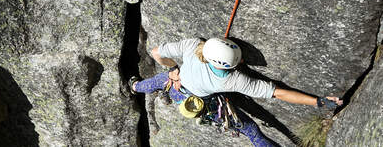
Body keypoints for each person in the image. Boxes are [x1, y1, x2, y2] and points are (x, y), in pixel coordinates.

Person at [129, 38, 343, 146]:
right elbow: (276, 92)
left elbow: (157, 52)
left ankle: (135, 87)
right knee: (251, 130)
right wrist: (318, 102)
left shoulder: (193, 45)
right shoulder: (232, 79)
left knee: (159, 81)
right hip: (207, 104)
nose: (241, 62)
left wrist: (174, 70)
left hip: (177, 89)